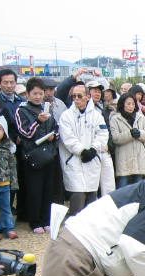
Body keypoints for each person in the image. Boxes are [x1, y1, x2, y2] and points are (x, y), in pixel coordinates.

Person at [15, 77, 59, 234]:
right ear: (27, 94)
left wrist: (54, 135)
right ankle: (34, 221)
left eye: (41, 93)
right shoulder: (21, 110)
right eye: (34, 93)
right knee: (34, 190)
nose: (38, 96)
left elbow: (55, 127)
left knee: (48, 189)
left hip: (48, 154)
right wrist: (38, 122)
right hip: (32, 156)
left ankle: (46, 219)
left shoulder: (46, 108)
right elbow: (25, 133)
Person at [58, 84, 109, 216]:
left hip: (92, 159)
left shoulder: (97, 115)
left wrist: (93, 149)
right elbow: (67, 138)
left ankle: (90, 226)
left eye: (79, 96)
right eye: (73, 96)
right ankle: (74, 224)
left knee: (92, 193)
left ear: (87, 97)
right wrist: (82, 151)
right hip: (74, 159)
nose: (76, 99)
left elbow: (103, 133)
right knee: (78, 193)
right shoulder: (66, 116)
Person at [109, 93, 145, 188]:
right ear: (122, 104)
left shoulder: (140, 117)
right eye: (128, 104)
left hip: (139, 160)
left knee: (138, 191)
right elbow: (115, 138)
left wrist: (139, 133)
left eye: (133, 104)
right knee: (123, 191)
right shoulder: (115, 119)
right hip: (124, 161)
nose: (131, 106)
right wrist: (130, 134)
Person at [85, 80, 116, 196]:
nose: (97, 94)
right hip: (91, 151)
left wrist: (110, 145)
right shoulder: (81, 110)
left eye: (99, 91)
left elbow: (108, 129)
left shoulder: (105, 108)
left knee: (108, 184)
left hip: (105, 150)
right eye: (94, 91)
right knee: (92, 186)